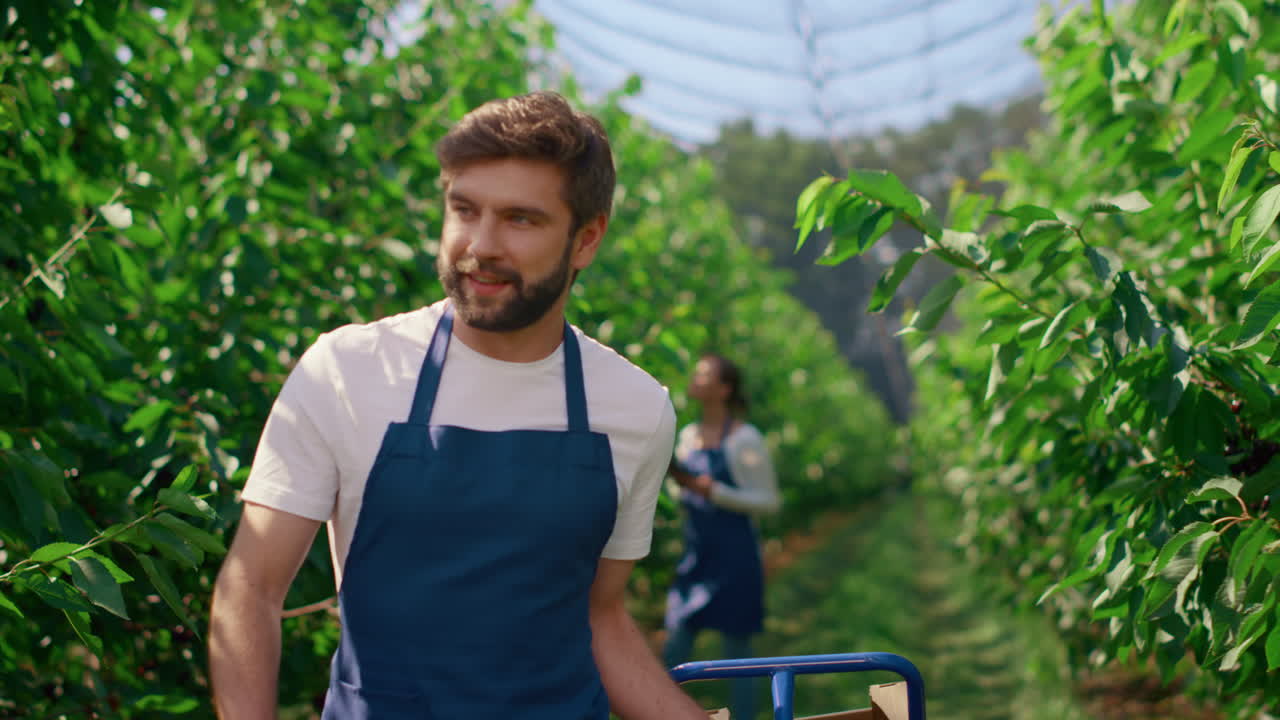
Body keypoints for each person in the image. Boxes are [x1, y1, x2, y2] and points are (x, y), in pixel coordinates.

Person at [208, 91, 712, 720]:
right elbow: (250, 589)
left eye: (520, 219)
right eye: (465, 210)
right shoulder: (348, 370)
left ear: (585, 240)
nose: (481, 244)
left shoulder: (635, 409)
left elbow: (599, 616)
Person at [664, 354, 782, 720]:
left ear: (724, 389)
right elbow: (683, 491)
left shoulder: (745, 439)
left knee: (737, 654)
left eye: (705, 374)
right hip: (697, 553)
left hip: (736, 557)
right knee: (675, 641)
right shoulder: (688, 436)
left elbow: (770, 502)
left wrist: (713, 492)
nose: (695, 378)